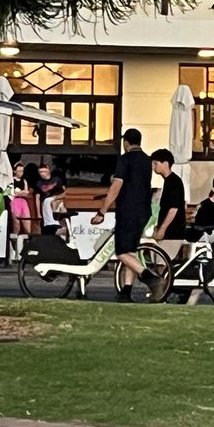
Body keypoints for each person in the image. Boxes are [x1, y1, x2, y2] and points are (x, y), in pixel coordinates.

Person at [92, 128, 164, 302]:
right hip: (144, 210)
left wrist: (102, 211)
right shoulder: (147, 161)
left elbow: (116, 186)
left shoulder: (125, 159)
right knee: (131, 251)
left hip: (128, 210)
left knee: (121, 252)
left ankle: (150, 278)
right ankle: (126, 291)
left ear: (126, 142)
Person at [149, 149, 188, 242]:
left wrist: (162, 229)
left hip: (173, 232)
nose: (153, 167)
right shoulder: (169, 181)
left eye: (155, 163)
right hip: (170, 232)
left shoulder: (173, 182)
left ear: (165, 163)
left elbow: (173, 208)